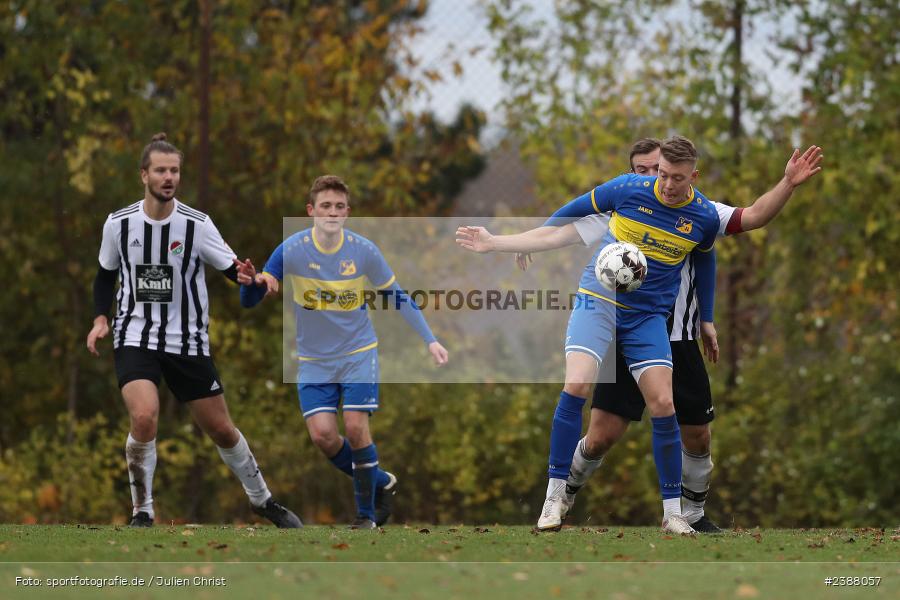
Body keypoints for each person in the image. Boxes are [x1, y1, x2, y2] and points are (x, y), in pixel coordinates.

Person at [457, 135, 822, 534]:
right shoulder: (625, 191)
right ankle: (555, 496)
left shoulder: (702, 215)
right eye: (658, 174)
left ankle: (678, 514)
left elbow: (745, 223)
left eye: (674, 177)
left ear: (693, 176)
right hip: (599, 305)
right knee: (581, 394)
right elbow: (565, 222)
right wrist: (500, 243)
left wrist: (787, 183)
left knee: (668, 407)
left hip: (653, 320)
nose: (664, 183)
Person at [86, 133, 302, 528]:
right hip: (135, 335)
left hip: (187, 340)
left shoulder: (197, 225)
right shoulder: (118, 224)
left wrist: (250, 278)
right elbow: (104, 276)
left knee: (221, 429)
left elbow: (232, 269)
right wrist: (101, 319)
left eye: (174, 171)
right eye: (161, 170)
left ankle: (263, 500)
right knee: (145, 416)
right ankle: (142, 511)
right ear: (144, 175)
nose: (168, 177)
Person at [238, 175, 449, 529]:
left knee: (354, 426)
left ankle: (366, 516)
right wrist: (253, 284)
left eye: (339, 207)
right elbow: (253, 297)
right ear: (311, 211)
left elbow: (397, 296)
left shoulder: (363, 251)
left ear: (348, 212)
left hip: (357, 353)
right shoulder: (292, 249)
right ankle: (381, 481)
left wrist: (430, 339)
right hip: (314, 360)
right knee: (323, 436)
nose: (332, 213)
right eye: (325, 206)